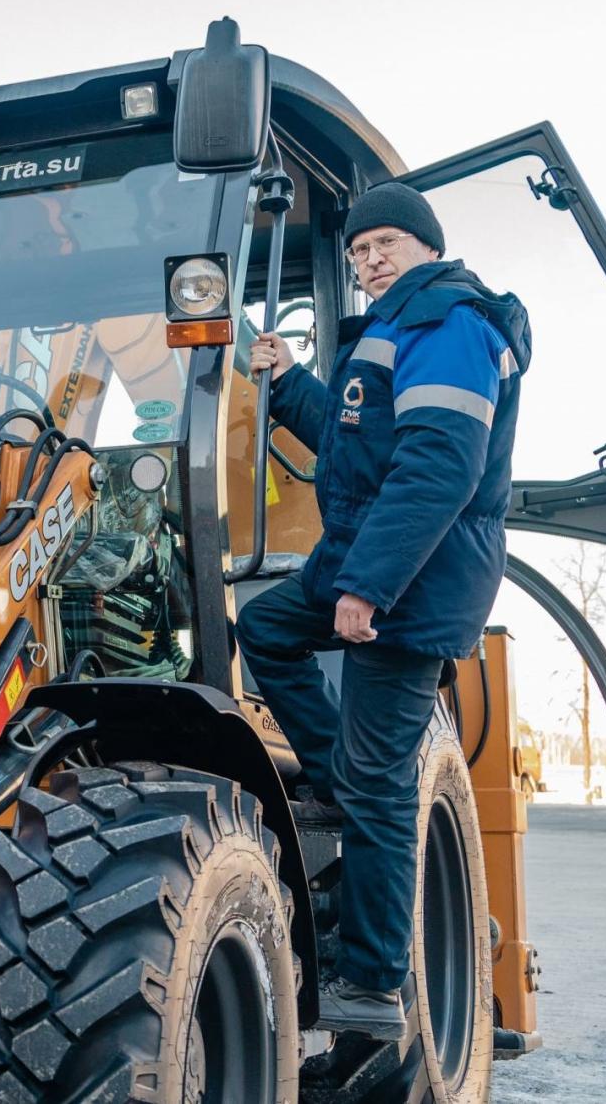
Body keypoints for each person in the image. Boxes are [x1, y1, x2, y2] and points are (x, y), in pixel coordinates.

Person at [239, 181, 531, 1041]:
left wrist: (369, 586)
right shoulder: (398, 326)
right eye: (359, 250)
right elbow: (350, 434)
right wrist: (290, 383)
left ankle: (372, 981)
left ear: (426, 247)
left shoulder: (449, 323)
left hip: (416, 580)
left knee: (379, 785)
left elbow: (438, 466)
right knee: (266, 626)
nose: (369, 260)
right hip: (371, 565)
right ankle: (332, 766)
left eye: (386, 245)